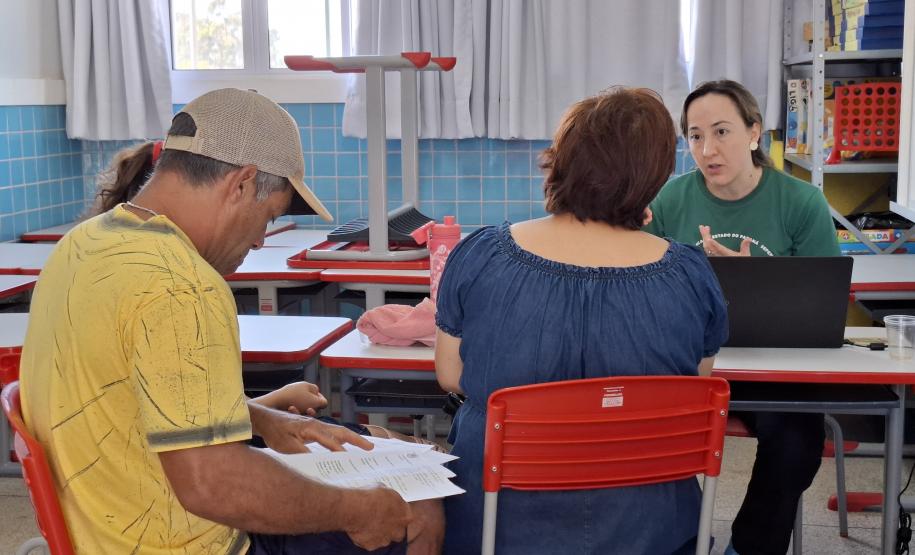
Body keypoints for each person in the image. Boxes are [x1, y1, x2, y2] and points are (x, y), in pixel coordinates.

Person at [19, 88, 442, 555]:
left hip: (102, 523)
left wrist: (263, 417)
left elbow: (121, 395)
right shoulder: (179, 283)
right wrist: (358, 511)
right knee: (422, 510)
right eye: (269, 216)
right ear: (241, 183)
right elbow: (211, 485)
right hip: (190, 543)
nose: (261, 240)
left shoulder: (82, 244)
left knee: (353, 445)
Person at [433, 87, 729, 554]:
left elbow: (453, 376)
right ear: (654, 177)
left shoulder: (483, 254)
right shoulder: (691, 274)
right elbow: (691, 387)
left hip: (502, 525)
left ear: (562, 161)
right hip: (648, 530)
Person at [644, 79, 841, 555]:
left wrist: (760, 279)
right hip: (690, 365)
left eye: (722, 131)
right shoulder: (669, 200)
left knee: (796, 442)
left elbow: (826, 300)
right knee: (637, 427)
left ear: (755, 132)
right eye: (694, 135)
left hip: (776, 369)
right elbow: (646, 289)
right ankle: (674, 542)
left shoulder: (801, 202)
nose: (708, 149)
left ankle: (749, 548)